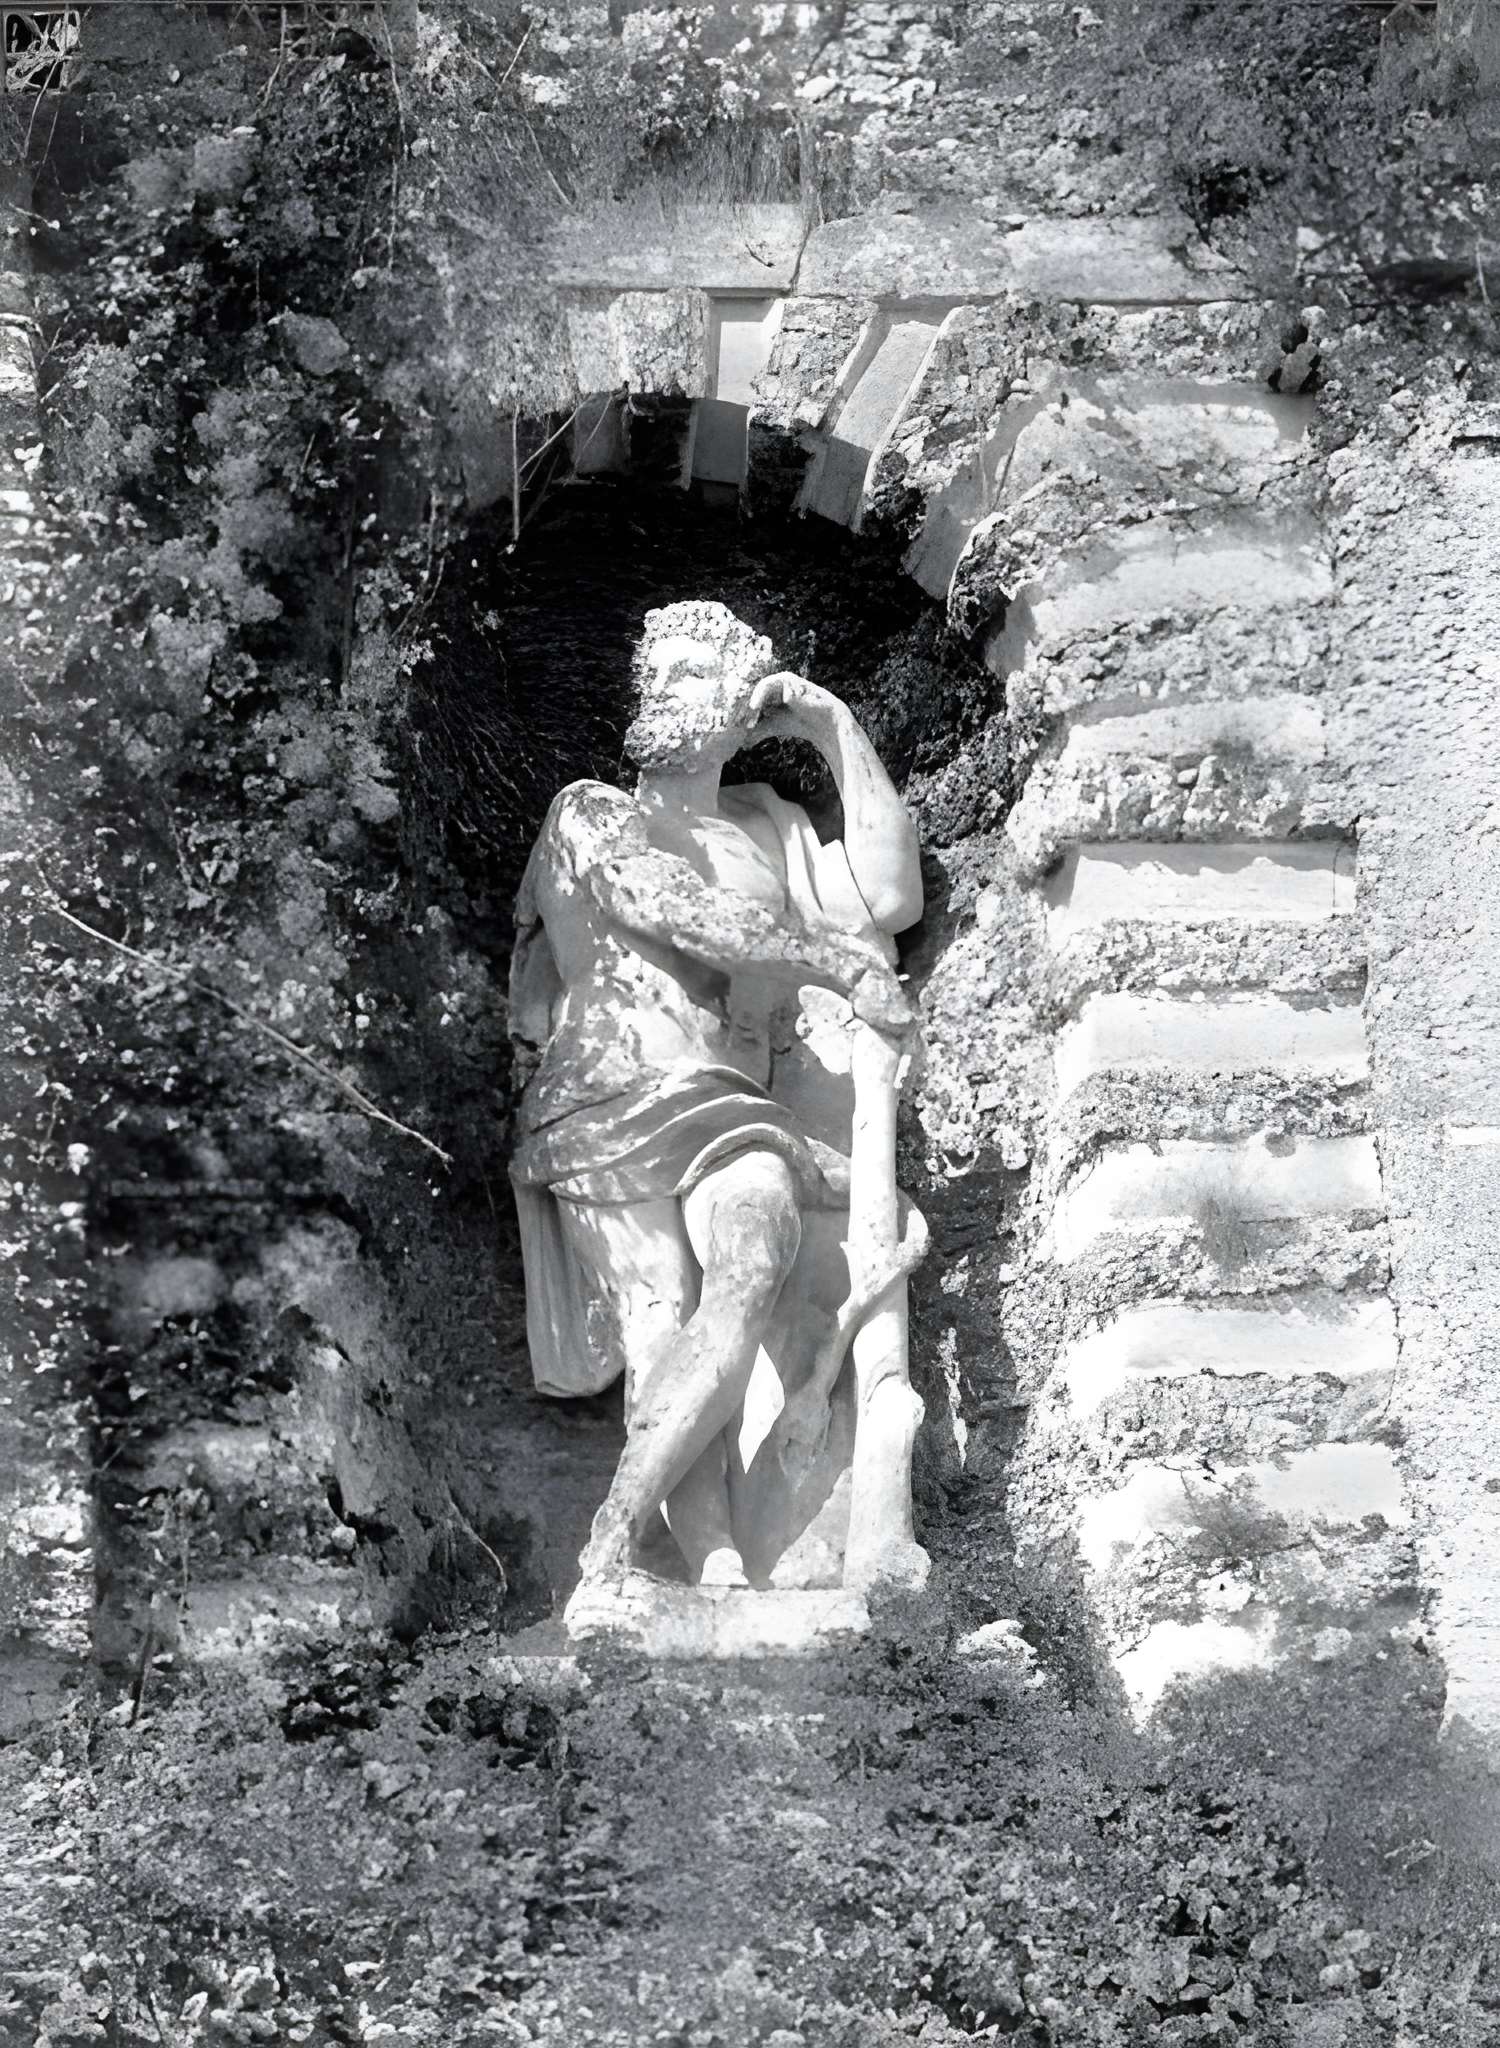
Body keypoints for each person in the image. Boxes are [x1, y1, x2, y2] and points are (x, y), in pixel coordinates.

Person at [508, 600, 924, 1604]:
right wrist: (829, 961)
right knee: (658, 1325)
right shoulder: (590, 808)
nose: (666, 684)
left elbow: (892, 894)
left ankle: (617, 1521)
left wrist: (831, 727)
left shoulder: (767, 829)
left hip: (734, 1102)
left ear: (742, 711)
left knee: (753, 1258)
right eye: (662, 664)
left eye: (697, 672)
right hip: (604, 1095)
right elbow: (677, 910)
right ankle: (698, 1563)